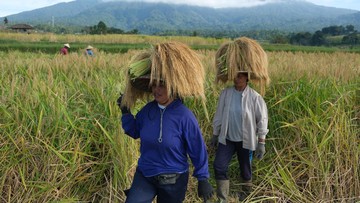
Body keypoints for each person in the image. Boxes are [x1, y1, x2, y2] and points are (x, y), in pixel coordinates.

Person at [117, 41, 213, 203]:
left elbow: (197, 148)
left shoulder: (185, 116)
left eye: (161, 84)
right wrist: (126, 112)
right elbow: (134, 131)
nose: (156, 89)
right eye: (153, 85)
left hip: (173, 179)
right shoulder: (148, 111)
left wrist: (203, 178)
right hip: (145, 174)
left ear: (173, 86)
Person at [211, 37, 270, 202]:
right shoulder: (226, 94)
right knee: (219, 166)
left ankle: (246, 194)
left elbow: (262, 120)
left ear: (247, 77)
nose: (237, 79)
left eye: (240, 76)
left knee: (246, 169)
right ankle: (223, 198)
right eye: (235, 75)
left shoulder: (254, 98)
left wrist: (261, 142)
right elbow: (219, 115)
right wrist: (216, 134)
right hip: (227, 139)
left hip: (245, 140)